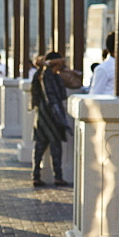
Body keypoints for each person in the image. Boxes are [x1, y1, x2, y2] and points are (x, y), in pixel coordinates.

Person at [31, 51, 71, 187]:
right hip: (50, 115)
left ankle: (36, 175)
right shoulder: (47, 74)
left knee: (40, 147)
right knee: (54, 147)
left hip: (42, 115)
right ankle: (56, 177)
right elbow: (53, 97)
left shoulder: (45, 74)